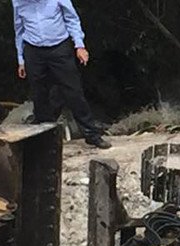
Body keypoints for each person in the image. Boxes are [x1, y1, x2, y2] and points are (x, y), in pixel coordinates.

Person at [12, 0, 111, 149]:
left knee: (73, 91)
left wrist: (79, 45)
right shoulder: (18, 2)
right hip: (33, 49)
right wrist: (21, 60)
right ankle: (43, 137)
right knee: (39, 93)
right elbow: (18, 29)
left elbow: (72, 19)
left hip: (59, 47)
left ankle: (91, 134)